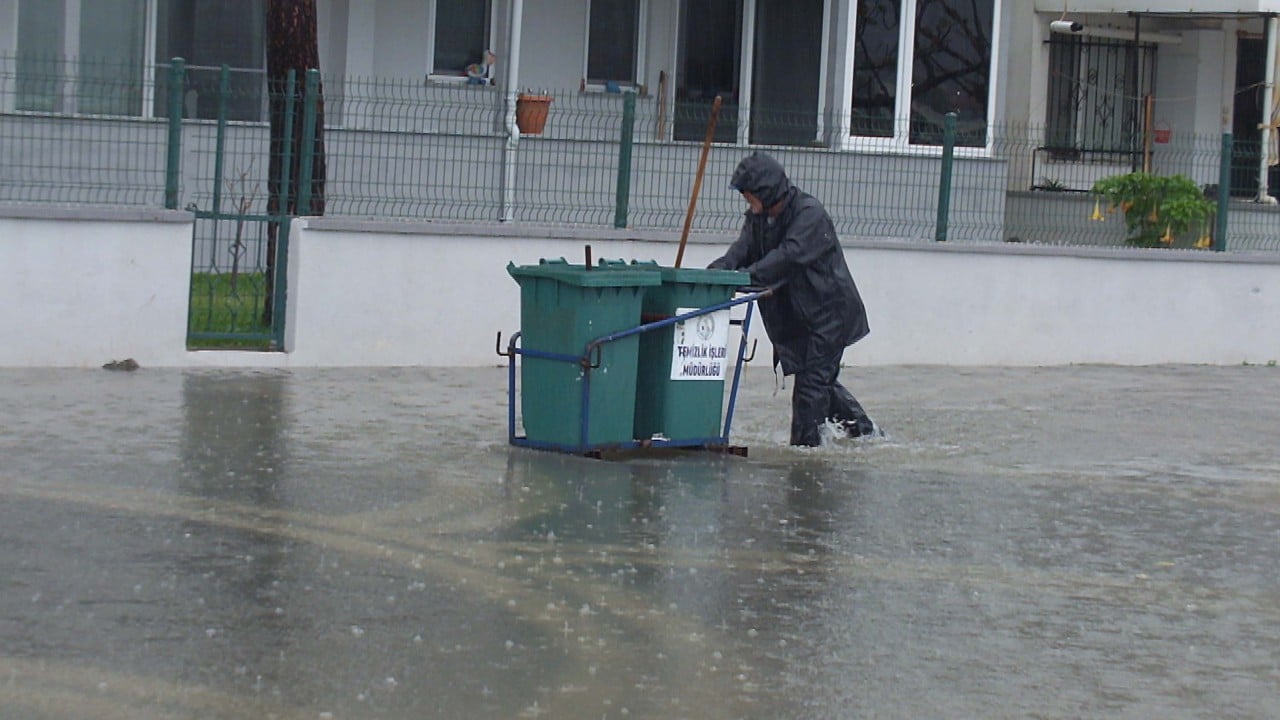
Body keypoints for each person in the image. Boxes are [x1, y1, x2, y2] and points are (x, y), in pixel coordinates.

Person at [708, 151, 877, 447]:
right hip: (801, 319)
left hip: (828, 318)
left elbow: (788, 257)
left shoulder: (809, 215)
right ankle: (866, 435)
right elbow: (742, 249)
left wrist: (743, 278)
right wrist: (718, 272)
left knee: (810, 390)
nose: (746, 200)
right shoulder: (758, 218)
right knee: (820, 384)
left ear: (766, 191)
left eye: (749, 194)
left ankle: (804, 457)